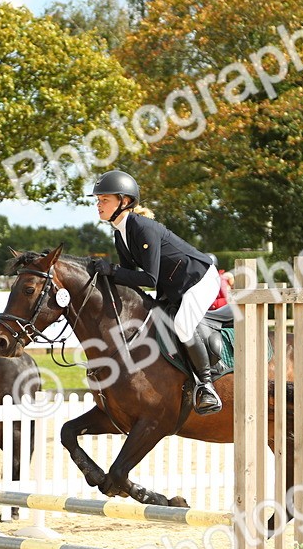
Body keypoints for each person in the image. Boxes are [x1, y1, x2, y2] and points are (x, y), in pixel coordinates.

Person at [88, 169, 224, 415]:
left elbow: (149, 278)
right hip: (174, 286)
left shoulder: (142, 227)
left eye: (104, 200)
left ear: (124, 201)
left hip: (199, 279)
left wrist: (112, 270)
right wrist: (103, 276)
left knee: (183, 325)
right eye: (98, 200)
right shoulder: (120, 234)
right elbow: (129, 277)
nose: (98, 205)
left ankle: (206, 385)